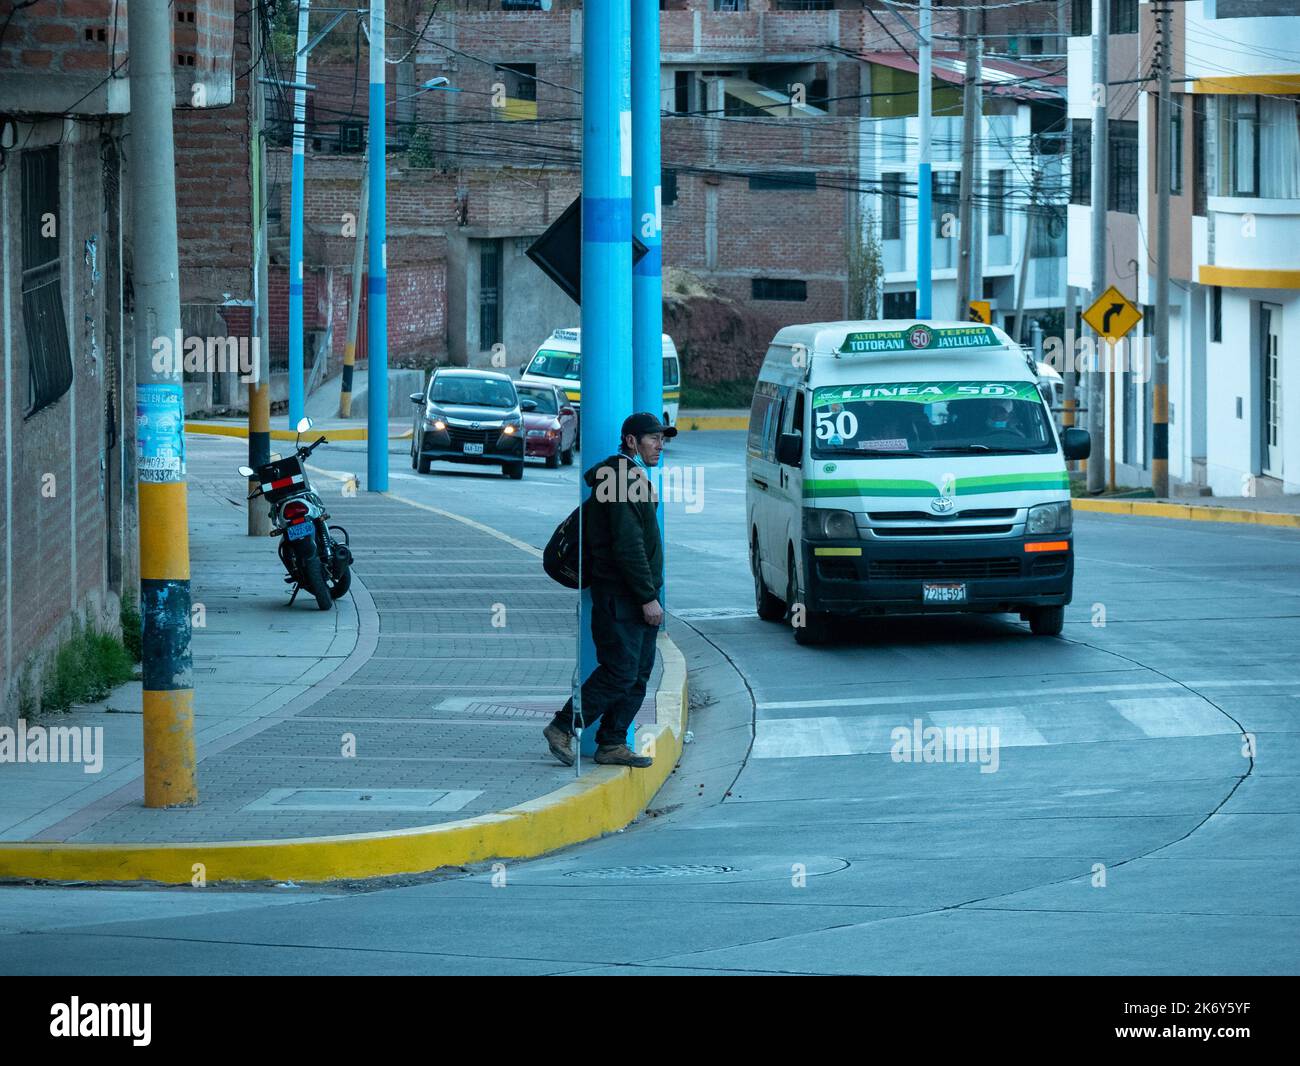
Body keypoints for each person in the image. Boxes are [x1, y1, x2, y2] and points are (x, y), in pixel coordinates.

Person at [543, 412, 675, 769]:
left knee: (638, 673)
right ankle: (562, 726)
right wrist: (647, 597)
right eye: (654, 439)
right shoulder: (620, 480)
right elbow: (628, 546)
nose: (660, 446)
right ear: (631, 441)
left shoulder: (630, 477)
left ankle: (613, 742)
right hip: (622, 597)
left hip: (635, 595)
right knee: (620, 671)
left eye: (663, 439)